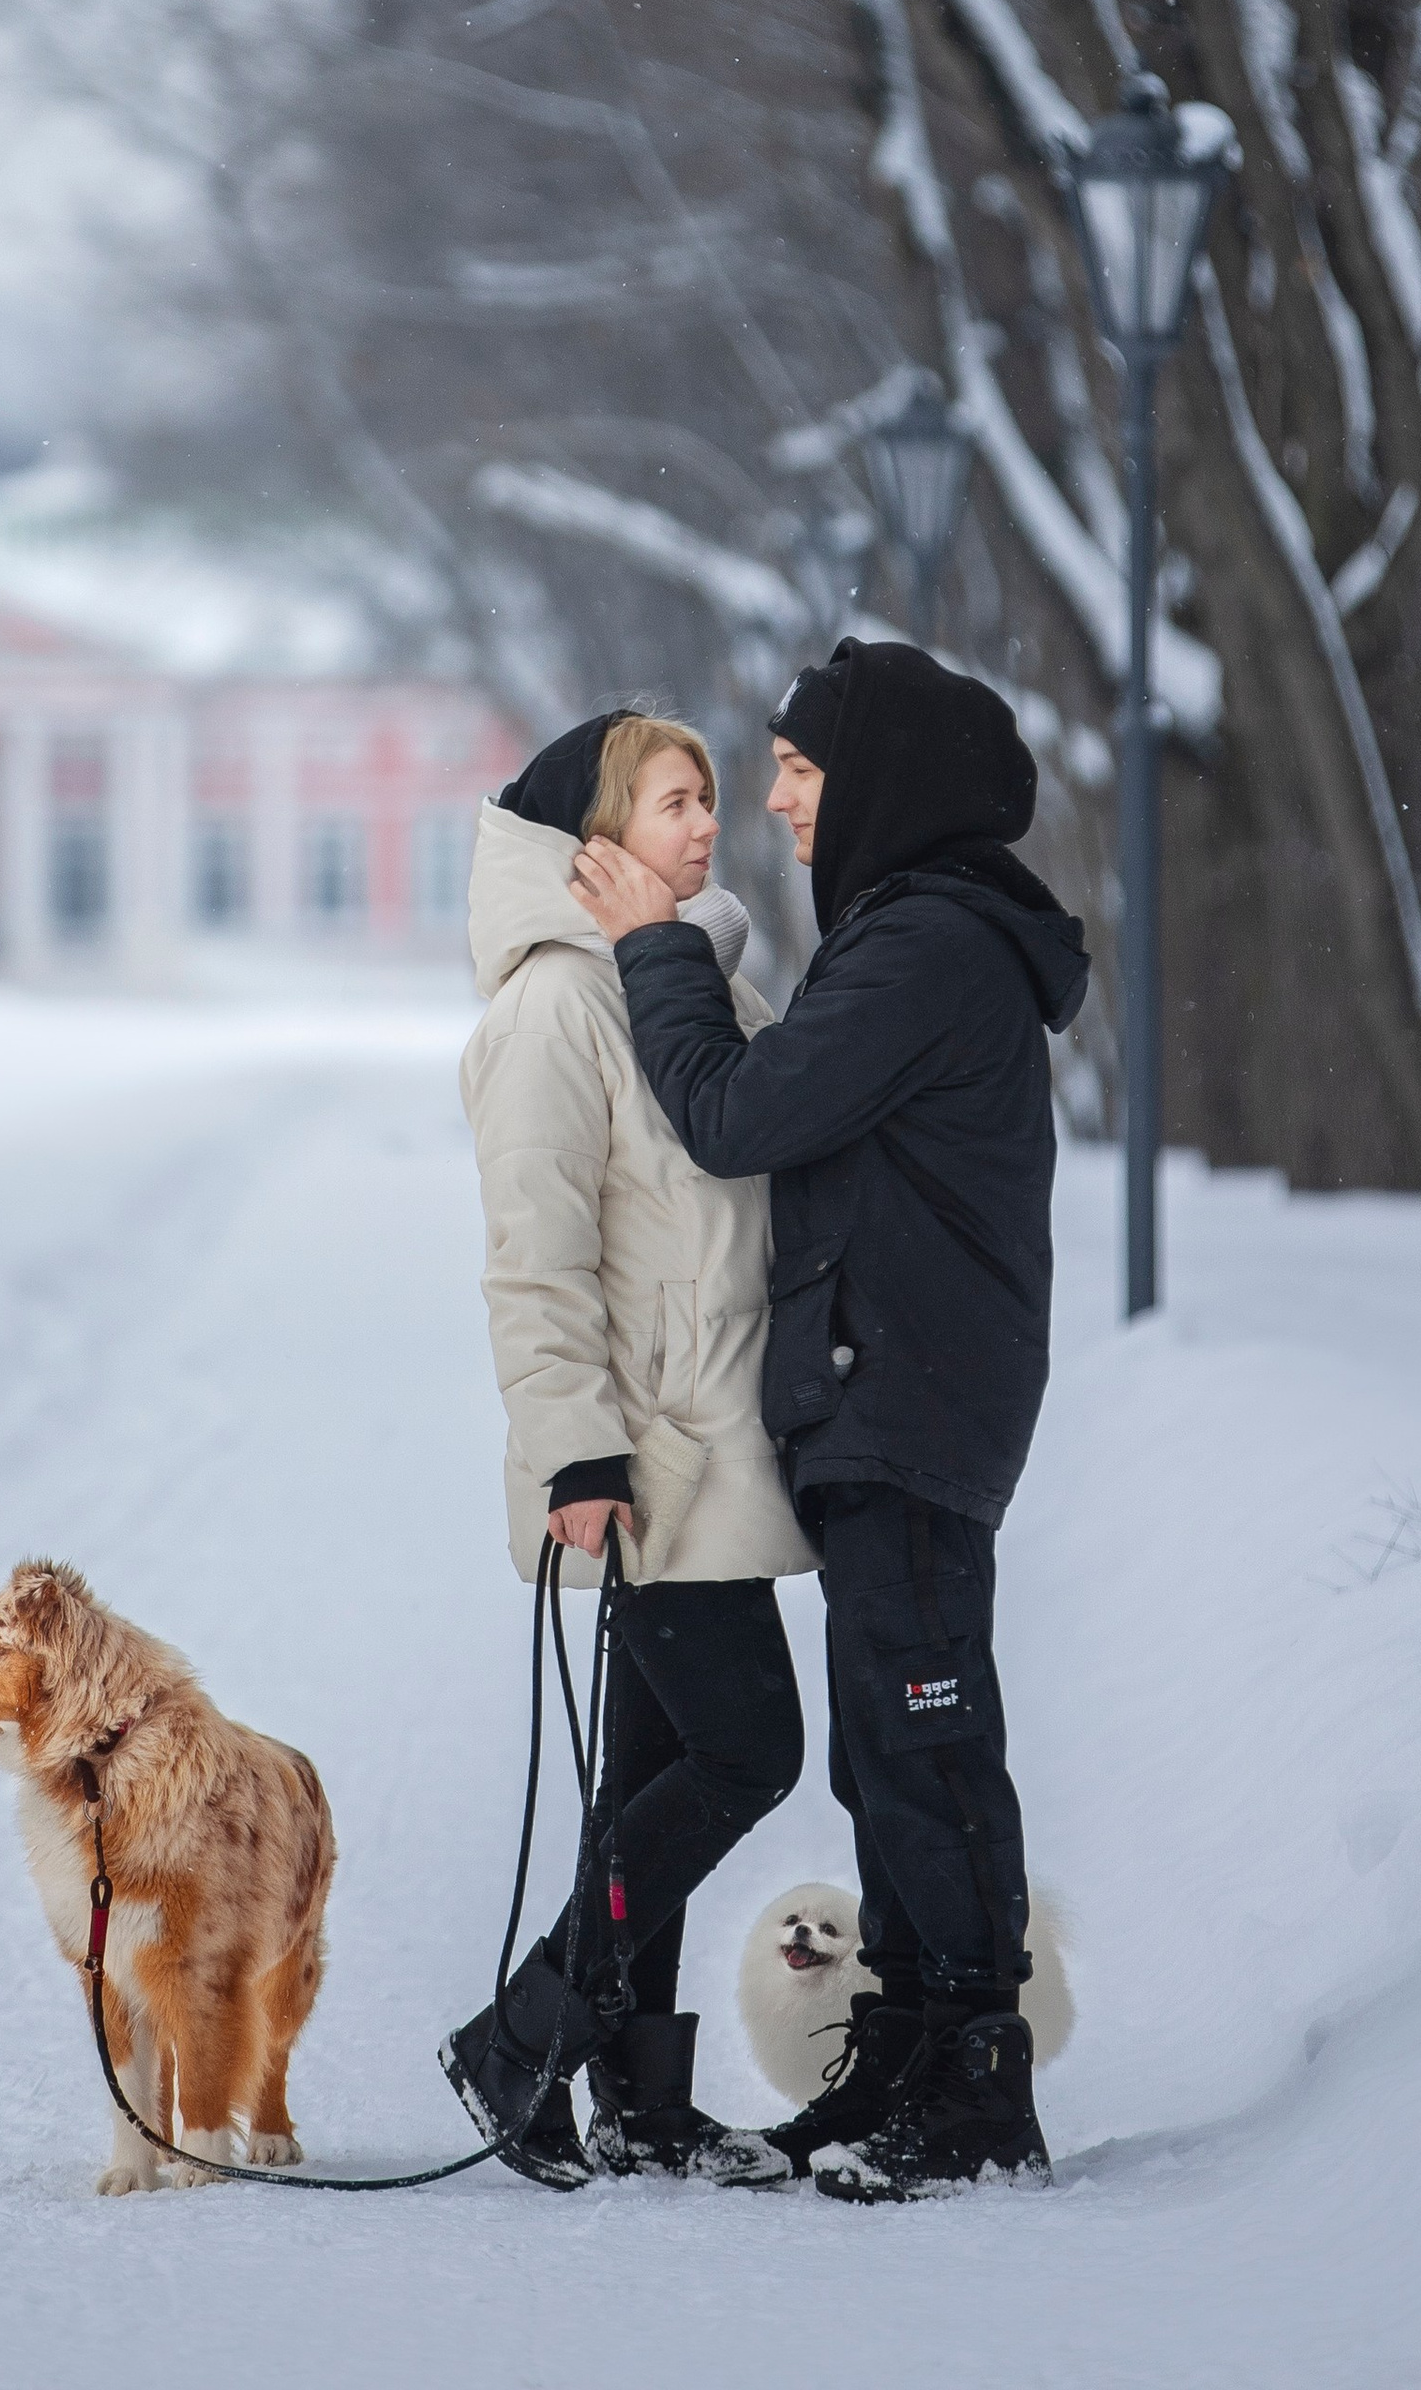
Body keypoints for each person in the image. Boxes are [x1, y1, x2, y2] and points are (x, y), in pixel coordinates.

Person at [571, 640, 1089, 2202]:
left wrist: (656, 945)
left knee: (925, 1743)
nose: (779, 804)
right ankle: (918, 2048)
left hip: (913, 1392)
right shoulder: (915, 933)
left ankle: (975, 2086)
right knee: (885, 1747)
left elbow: (739, 1113)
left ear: (874, 781)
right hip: (894, 1388)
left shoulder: (924, 945)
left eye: (798, 772)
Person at [437, 708, 816, 2191]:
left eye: (710, 797)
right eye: (674, 800)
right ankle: (521, 2034)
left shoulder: (704, 984)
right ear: (597, 841)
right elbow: (539, 1264)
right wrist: (576, 1458)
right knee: (749, 1751)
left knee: (652, 1776)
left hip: (724, 1437)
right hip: (650, 1460)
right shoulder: (550, 1012)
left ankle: (644, 2103)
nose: (707, 821)